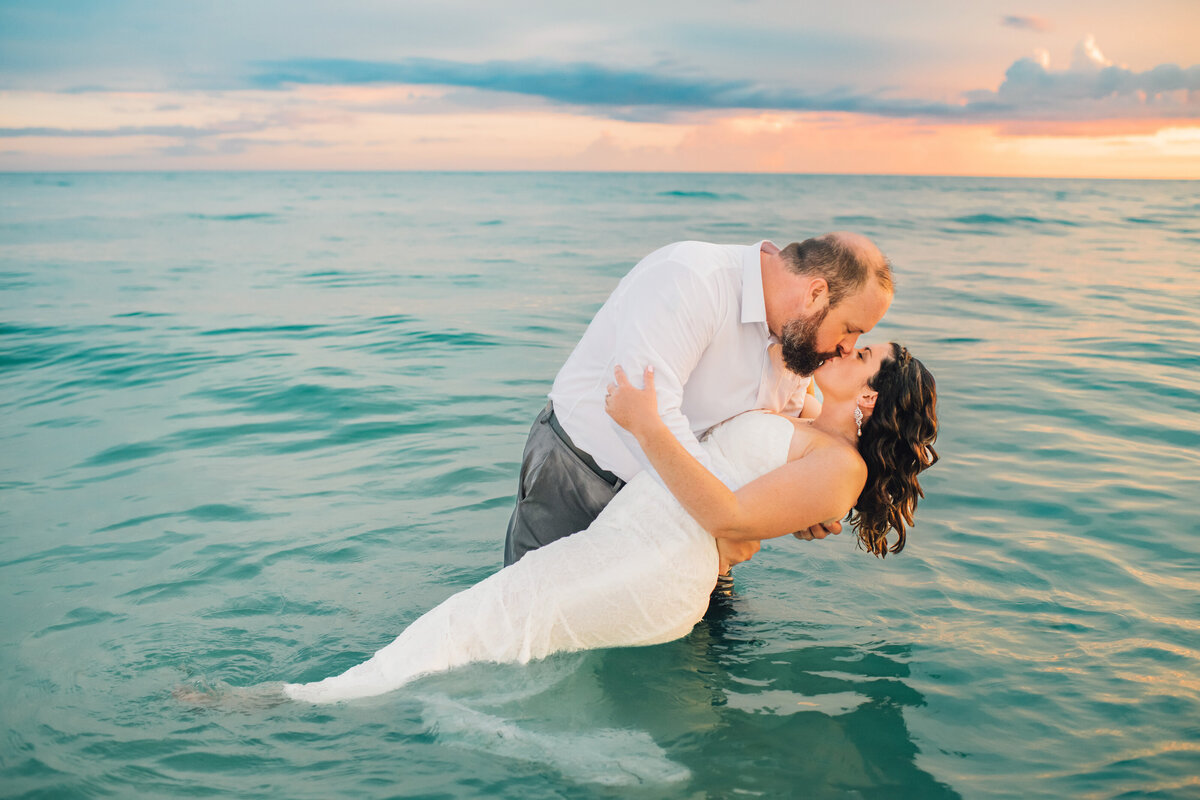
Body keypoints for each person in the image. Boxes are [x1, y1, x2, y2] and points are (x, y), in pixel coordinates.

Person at [276, 342, 937, 704]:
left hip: (651, 570)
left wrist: (648, 425)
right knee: (482, 627)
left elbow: (726, 514)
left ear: (870, 396)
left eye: (859, 354)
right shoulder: (802, 423)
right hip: (625, 547)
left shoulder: (841, 468)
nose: (845, 346)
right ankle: (326, 697)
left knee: (488, 633)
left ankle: (304, 703)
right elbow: (742, 522)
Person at [504, 233, 895, 575]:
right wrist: (720, 525)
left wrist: (795, 500)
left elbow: (775, 422)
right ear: (815, 293)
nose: (848, 347)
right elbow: (644, 414)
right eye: (850, 329)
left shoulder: (801, 335)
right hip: (582, 476)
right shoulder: (692, 280)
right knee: (533, 622)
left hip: (681, 506)